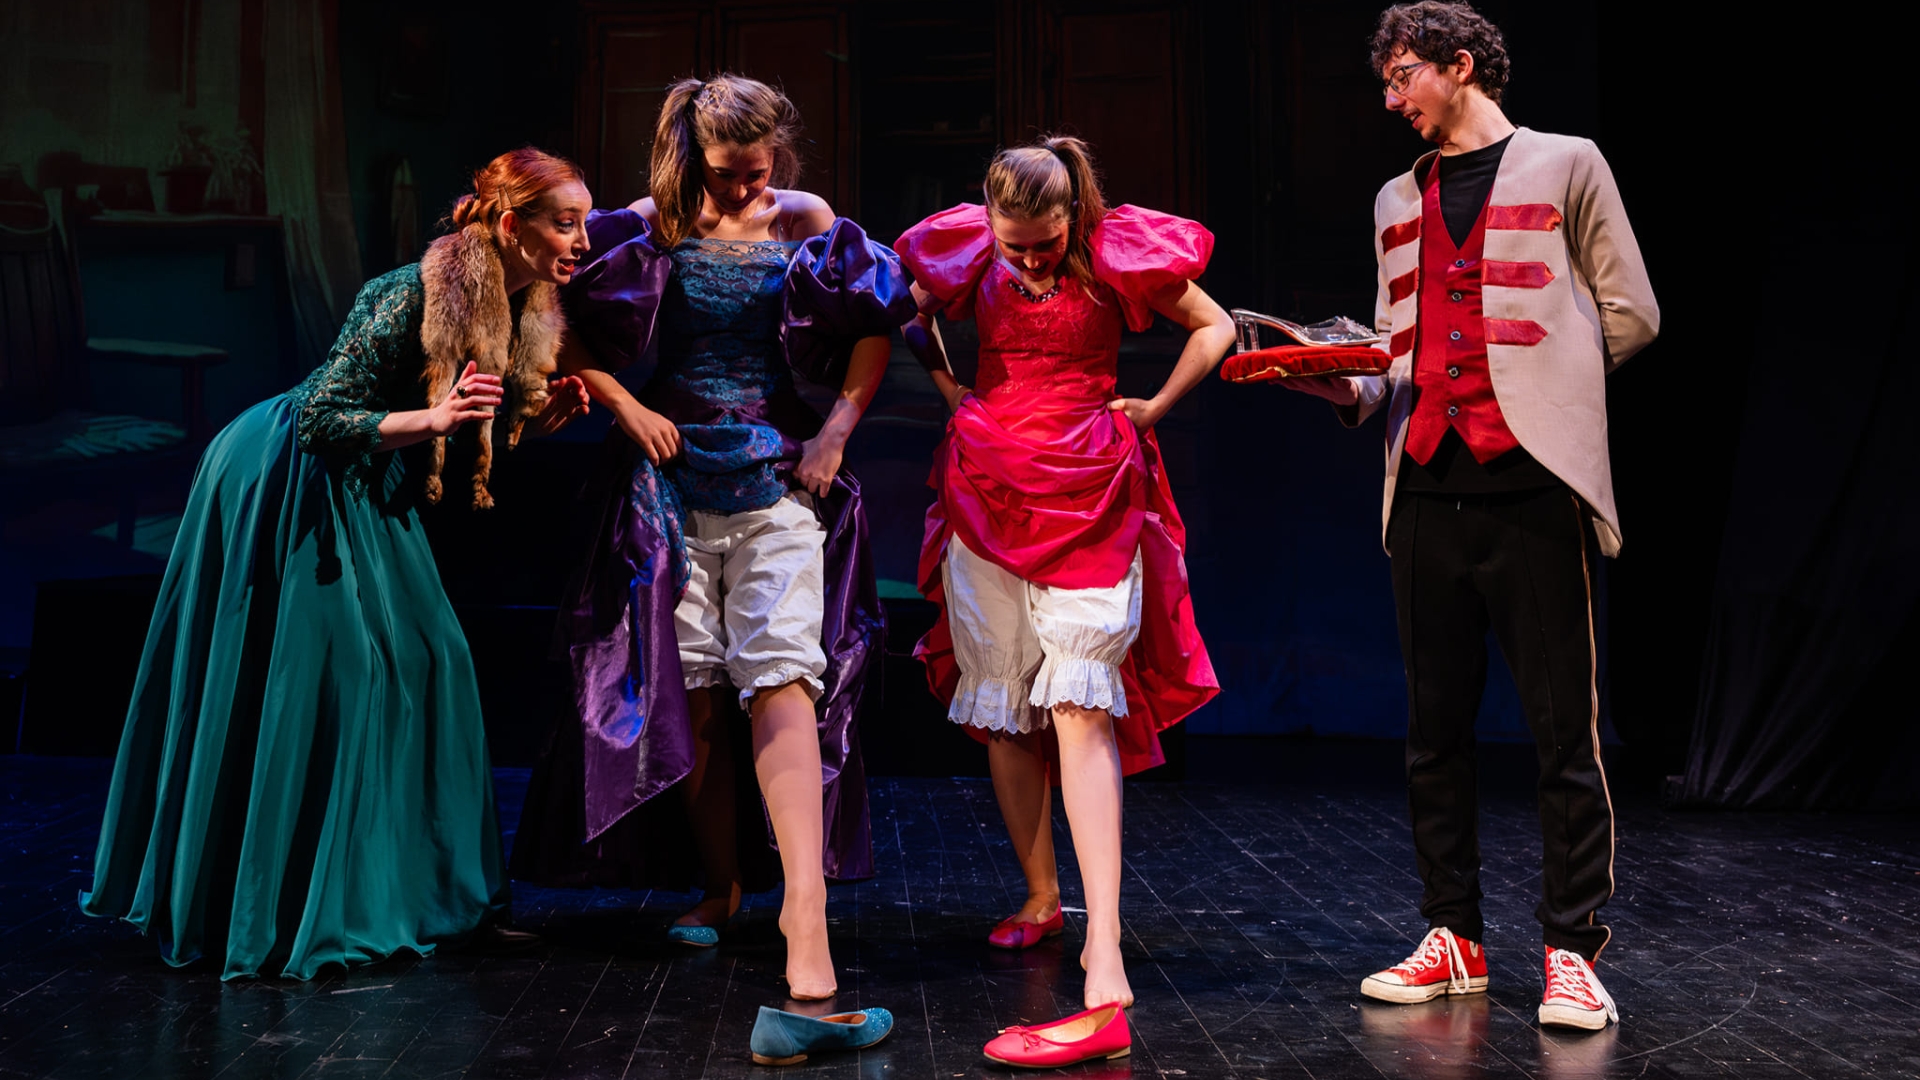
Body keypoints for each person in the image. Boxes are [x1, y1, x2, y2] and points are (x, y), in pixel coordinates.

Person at [80, 148, 594, 979]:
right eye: (566, 223)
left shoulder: (525, 303)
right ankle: (282, 909)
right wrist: (432, 422)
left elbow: (461, 421)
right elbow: (323, 415)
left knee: (434, 662)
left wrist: (537, 422)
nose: (583, 240)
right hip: (289, 475)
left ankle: (442, 903)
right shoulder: (407, 293)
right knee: (331, 675)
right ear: (511, 224)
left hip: (368, 477)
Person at [1285, 1, 1658, 1031]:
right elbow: (1396, 346)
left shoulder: (1569, 162)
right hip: (1424, 491)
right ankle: (1452, 936)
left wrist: (1547, 392)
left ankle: (1573, 950)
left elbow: (1631, 312)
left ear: (1460, 65)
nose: (1391, 99)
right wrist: (1348, 387)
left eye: (1403, 75)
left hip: (1531, 489)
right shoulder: (1393, 198)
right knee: (1434, 735)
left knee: (1562, 736)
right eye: (1385, 81)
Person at [508, 74, 913, 1003]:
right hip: (670, 480)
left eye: (754, 172)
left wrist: (834, 434)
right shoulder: (648, 222)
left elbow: (873, 325)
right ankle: (722, 885)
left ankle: (804, 907)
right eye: (724, 173)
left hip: (775, 470)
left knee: (781, 674)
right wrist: (624, 404)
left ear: (777, 156)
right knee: (691, 692)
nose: (739, 189)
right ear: (693, 156)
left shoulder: (803, 218)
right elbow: (554, 319)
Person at [897, 136, 1231, 1012]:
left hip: (1090, 485)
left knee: (1081, 706)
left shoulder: (1113, 249)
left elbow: (1217, 326)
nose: (1031, 259)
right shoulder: (972, 248)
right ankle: (1042, 894)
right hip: (989, 486)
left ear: (1071, 216)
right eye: (1015, 246)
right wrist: (951, 394)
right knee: (1006, 705)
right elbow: (907, 312)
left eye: (1044, 242)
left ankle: (1104, 937)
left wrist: (1154, 408)